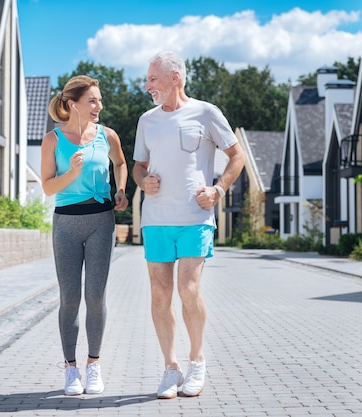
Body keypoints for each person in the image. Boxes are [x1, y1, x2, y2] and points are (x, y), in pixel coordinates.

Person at [133, 51, 245, 399]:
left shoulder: (206, 112)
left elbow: (237, 155)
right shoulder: (147, 120)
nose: (148, 85)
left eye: (153, 78)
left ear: (174, 78)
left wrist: (218, 188)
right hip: (156, 220)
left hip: (195, 218)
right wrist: (142, 181)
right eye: (148, 79)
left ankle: (197, 361)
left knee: (189, 290)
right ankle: (170, 368)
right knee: (159, 293)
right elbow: (139, 166)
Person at [41, 75, 128, 396]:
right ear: (72, 104)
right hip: (66, 223)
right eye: (93, 101)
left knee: (95, 297)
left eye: (99, 100)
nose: (99, 106)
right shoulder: (53, 140)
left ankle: (94, 365)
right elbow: (48, 186)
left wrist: (120, 190)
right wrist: (72, 173)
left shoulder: (107, 136)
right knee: (70, 299)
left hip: (101, 221)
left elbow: (120, 163)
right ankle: (70, 369)